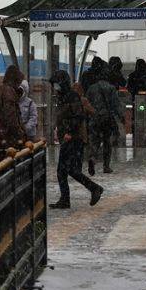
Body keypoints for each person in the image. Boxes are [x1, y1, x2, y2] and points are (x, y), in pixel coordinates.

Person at [49, 70, 103, 209]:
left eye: (56, 84)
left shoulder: (71, 96)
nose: (54, 87)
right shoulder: (63, 96)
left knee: (65, 170)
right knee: (70, 170)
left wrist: (69, 132)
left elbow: (78, 116)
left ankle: (91, 189)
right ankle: (82, 192)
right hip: (69, 138)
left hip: (73, 139)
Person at [86, 70, 124, 175]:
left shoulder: (91, 88)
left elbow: (86, 103)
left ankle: (93, 158)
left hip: (94, 118)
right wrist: (121, 117)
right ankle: (106, 166)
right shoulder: (111, 88)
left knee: (94, 140)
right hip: (107, 118)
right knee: (107, 141)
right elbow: (116, 104)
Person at [0, 65, 27, 146]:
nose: (19, 85)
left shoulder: (1, 89)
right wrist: (20, 133)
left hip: (2, 134)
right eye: (19, 82)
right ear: (15, 80)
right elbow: (11, 117)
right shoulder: (8, 91)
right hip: (10, 137)